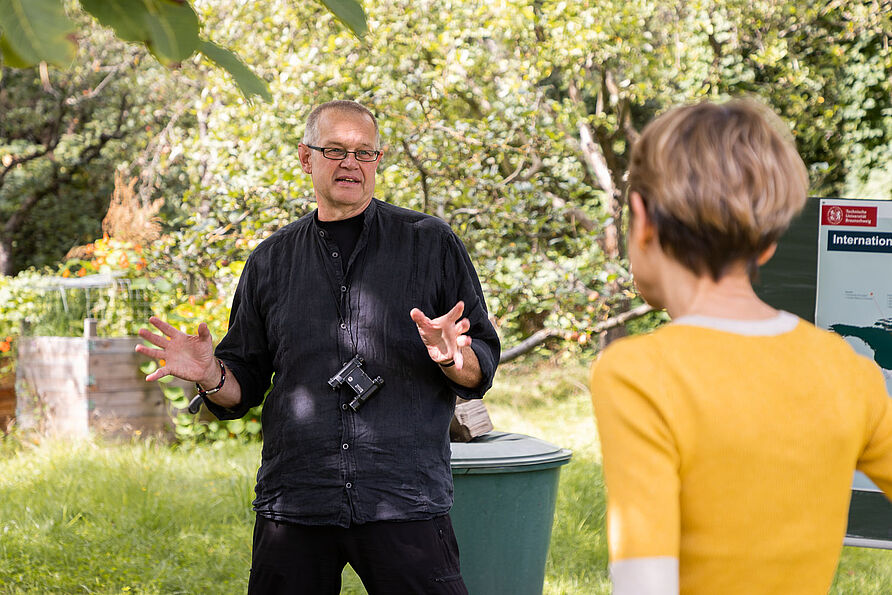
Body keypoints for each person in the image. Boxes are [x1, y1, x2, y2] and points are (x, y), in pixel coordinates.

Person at [136, 100, 500, 594]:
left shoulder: (430, 242)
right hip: (297, 501)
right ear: (307, 158)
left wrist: (456, 358)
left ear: (376, 162)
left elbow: (480, 365)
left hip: (403, 496)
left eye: (364, 153)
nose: (351, 163)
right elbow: (240, 389)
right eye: (335, 150)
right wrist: (210, 373)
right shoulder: (270, 261)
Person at [589, 99, 892, 594]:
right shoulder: (849, 368)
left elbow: (645, 581)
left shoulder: (637, 373)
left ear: (641, 220)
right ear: (768, 243)